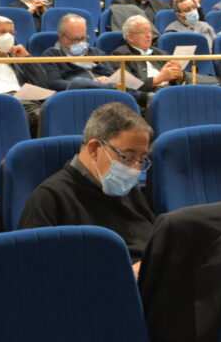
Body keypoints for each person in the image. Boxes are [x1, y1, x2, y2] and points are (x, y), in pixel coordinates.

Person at [18, 103, 156, 273]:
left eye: (141, 160)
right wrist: (124, 275)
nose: (135, 169)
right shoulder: (50, 198)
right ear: (94, 149)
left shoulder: (127, 189)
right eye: (127, 157)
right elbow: (36, 272)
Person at [111, 15, 184, 106]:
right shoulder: (121, 55)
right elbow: (129, 86)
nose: (149, 36)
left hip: (171, 92)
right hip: (148, 99)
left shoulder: (160, 53)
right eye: (143, 32)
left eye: (150, 31)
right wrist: (157, 79)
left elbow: (176, 80)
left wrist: (180, 75)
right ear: (130, 37)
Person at [39, 13, 115, 90]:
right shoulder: (51, 56)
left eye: (83, 38)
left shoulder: (95, 52)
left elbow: (113, 75)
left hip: (105, 92)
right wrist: (91, 83)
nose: (81, 43)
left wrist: (108, 79)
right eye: (76, 39)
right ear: (62, 37)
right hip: (75, 94)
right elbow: (54, 83)